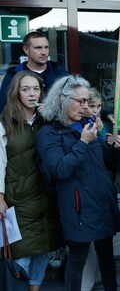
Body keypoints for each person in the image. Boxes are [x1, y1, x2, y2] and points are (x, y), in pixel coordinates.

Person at [36, 75, 120, 290]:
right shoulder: (48, 133)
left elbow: (103, 162)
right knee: (77, 259)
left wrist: (114, 149)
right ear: (62, 100)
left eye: (87, 101)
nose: (86, 106)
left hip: (101, 201)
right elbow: (59, 170)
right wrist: (83, 142)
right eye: (81, 101)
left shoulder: (86, 123)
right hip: (78, 207)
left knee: (107, 255)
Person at [0, 71, 63, 291]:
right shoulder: (4, 123)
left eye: (36, 89)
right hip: (18, 201)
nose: (31, 93)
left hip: (46, 197)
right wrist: (0, 198)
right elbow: (0, 163)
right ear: (16, 92)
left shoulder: (47, 121)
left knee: (44, 250)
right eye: (25, 89)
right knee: (20, 257)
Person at [0, 31, 69, 112]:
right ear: (26, 50)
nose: (44, 52)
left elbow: (72, 102)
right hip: (23, 123)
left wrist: (52, 109)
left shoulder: (60, 73)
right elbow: (3, 108)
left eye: (46, 47)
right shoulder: (13, 75)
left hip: (55, 122)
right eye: (38, 48)